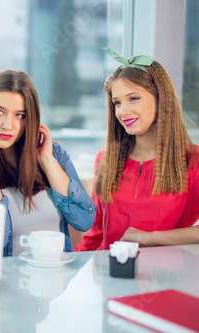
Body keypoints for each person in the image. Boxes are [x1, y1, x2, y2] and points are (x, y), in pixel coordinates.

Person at [0, 69, 95, 256]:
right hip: (6, 282)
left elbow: (84, 220)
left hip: (56, 280)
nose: (8, 125)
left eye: (20, 115)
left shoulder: (56, 156)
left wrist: (46, 160)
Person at [76, 48, 199, 251]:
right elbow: (96, 233)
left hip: (165, 280)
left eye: (133, 98)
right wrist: (73, 274)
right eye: (117, 102)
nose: (123, 111)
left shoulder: (192, 161)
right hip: (109, 277)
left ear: (161, 99)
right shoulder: (105, 160)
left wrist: (149, 237)